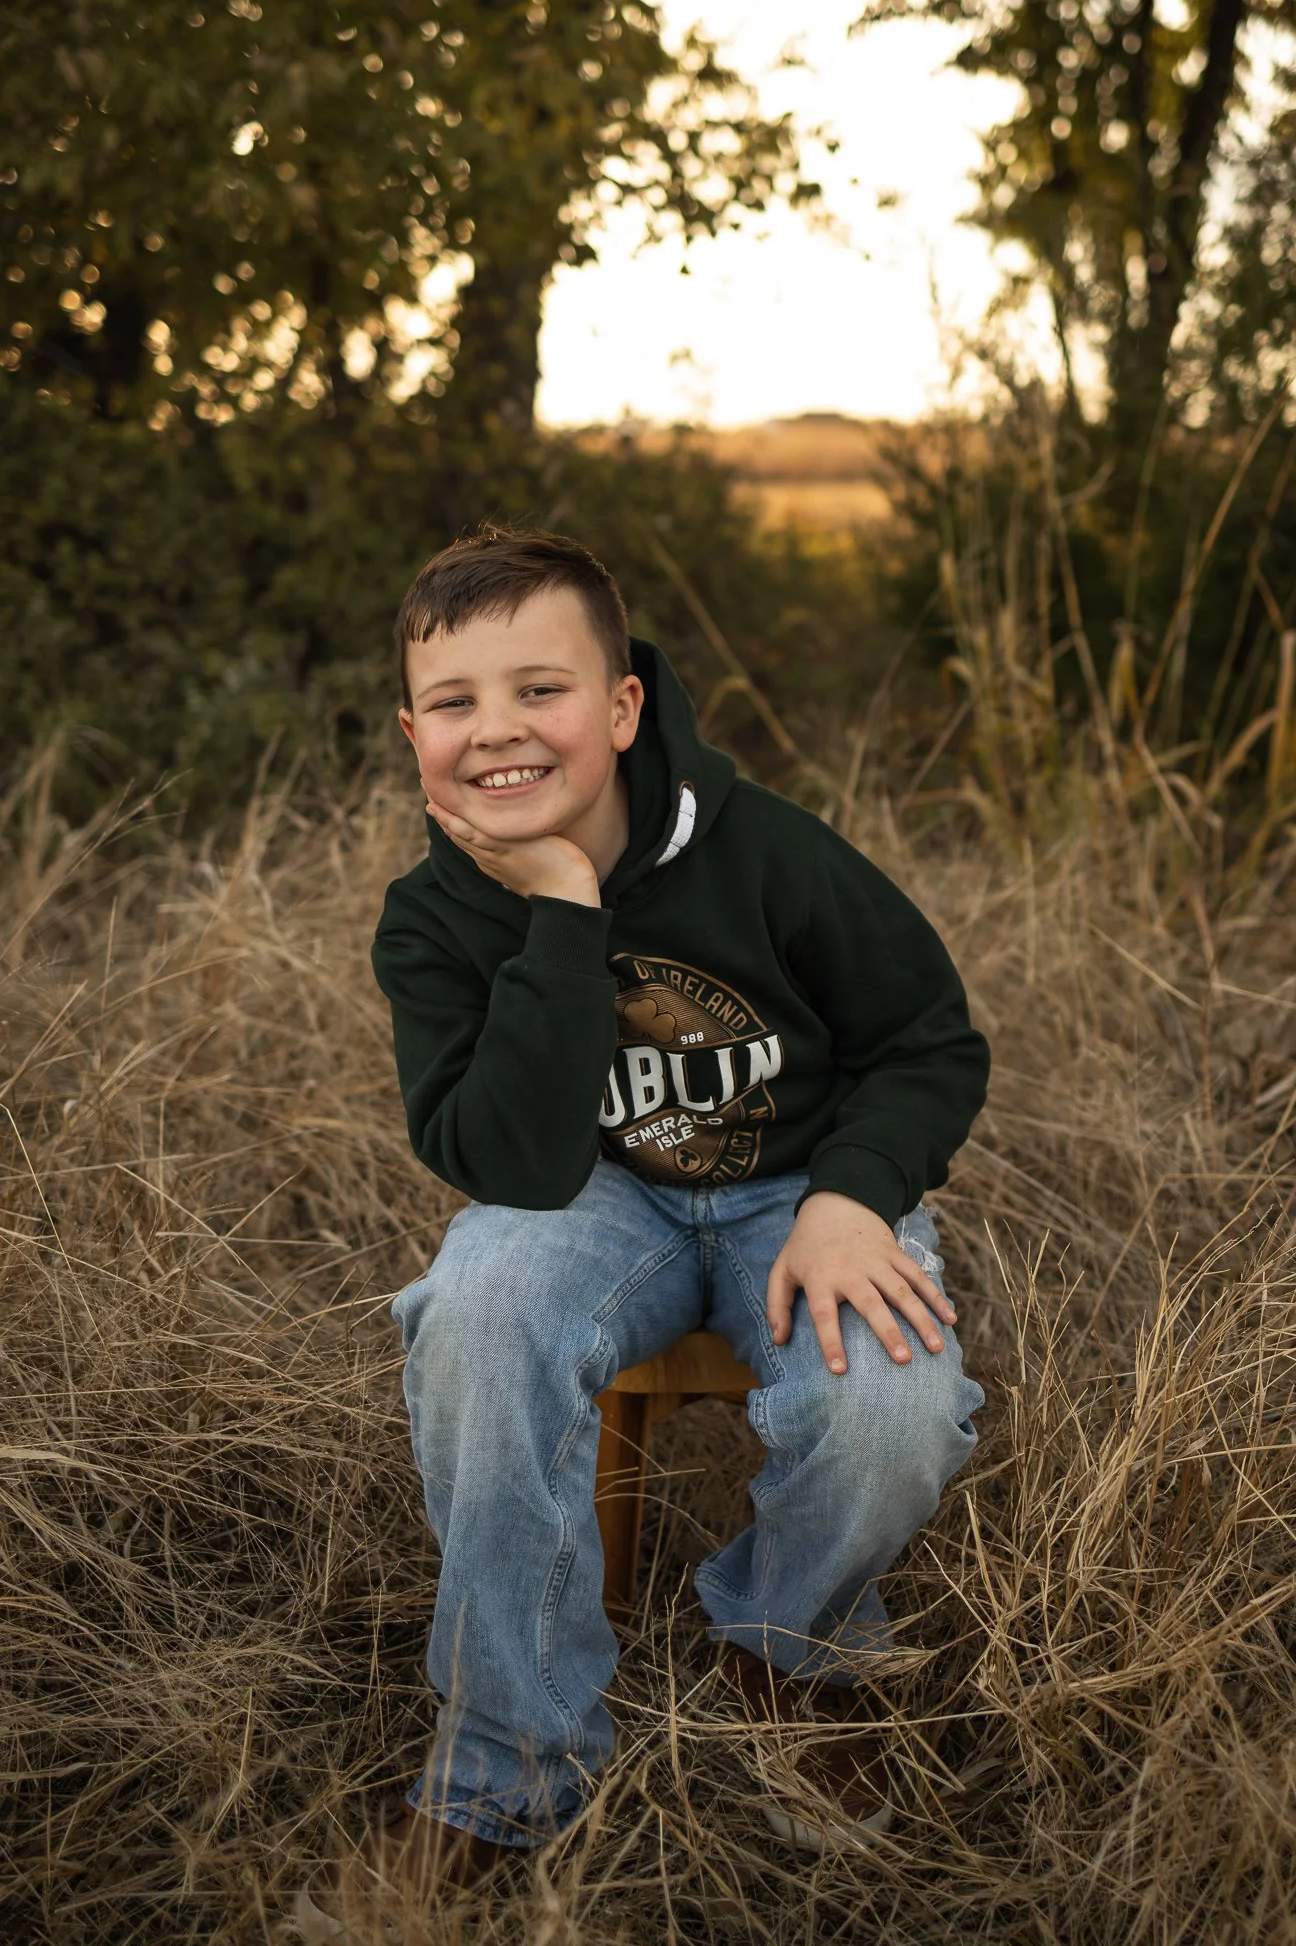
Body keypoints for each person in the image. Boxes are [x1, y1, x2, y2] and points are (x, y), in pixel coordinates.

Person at [306, 524, 989, 1921]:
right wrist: (562, 913)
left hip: (799, 1192)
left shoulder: (768, 853)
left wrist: (854, 1195)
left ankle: (788, 1652)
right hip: (587, 1197)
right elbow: (507, 1161)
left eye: (540, 689)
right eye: (454, 702)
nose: (499, 730)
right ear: (414, 733)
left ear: (622, 707)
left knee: (890, 1407)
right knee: (479, 1317)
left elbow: (926, 1037)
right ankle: (508, 1770)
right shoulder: (433, 920)